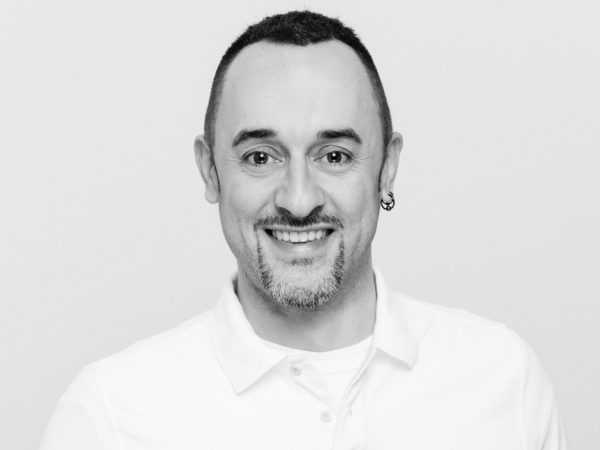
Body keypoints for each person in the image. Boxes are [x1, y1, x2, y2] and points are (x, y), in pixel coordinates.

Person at [40, 10, 567, 450]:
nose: (298, 200)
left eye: (334, 155)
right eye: (260, 156)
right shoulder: (109, 417)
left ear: (387, 167)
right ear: (209, 171)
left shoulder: (504, 380)